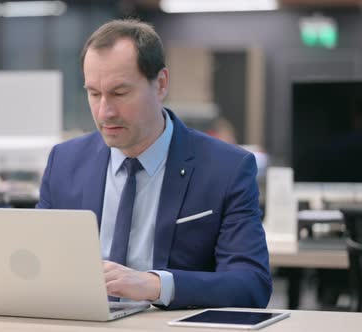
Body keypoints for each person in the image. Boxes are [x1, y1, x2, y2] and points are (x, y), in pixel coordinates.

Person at [36, 19, 271, 310]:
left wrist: (155, 285)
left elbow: (251, 284)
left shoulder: (227, 169)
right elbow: (38, 265)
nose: (104, 111)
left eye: (120, 93)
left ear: (160, 84)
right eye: (94, 93)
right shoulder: (65, 162)